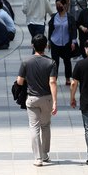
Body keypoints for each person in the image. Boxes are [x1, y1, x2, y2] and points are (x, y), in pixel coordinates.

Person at [17, 34, 58, 166]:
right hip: (46, 99)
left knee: (34, 127)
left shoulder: (26, 62)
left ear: (32, 45)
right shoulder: (51, 62)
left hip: (32, 99)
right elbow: (52, 82)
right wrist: (55, 101)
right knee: (45, 126)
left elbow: (19, 81)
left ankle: (38, 158)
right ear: (46, 46)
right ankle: (45, 154)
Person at [48, 0, 78, 86]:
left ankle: (68, 78)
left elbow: (73, 29)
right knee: (54, 62)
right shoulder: (54, 17)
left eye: (60, 5)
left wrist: (73, 41)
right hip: (55, 42)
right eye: (57, 5)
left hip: (66, 42)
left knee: (67, 61)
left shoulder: (70, 17)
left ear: (65, 5)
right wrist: (49, 41)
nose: (58, 7)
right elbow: (50, 29)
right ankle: (54, 78)